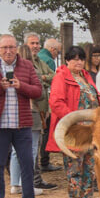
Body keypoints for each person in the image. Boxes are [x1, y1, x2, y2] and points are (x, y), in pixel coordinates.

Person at [0, 34, 44, 198]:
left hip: (22, 124)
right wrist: (0, 87)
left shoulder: (27, 66)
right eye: (4, 48)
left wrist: (21, 86)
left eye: (12, 47)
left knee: (27, 163)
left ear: (17, 48)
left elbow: (38, 91)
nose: (8, 51)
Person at [47, 46, 100, 198]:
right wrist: (73, 118)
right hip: (74, 130)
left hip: (91, 130)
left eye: (81, 59)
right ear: (67, 61)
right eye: (74, 59)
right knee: (74, 168)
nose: (78, 62)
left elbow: (95, 97)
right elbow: (56, 102)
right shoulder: (61, 77)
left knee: (90, 167)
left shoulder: (85, 76)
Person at [9, 33, 58, 198]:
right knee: (30, 149)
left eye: (37, 43)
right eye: (32, 44)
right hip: (34, 110)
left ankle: (15, 184)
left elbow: (52, 76)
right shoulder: (31, 69)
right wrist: (41, 83)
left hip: (18, 112)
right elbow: (39, 91)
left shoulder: (13, 68)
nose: (35, 47)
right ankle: (26, 184)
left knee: (18, 150)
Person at [36, 37, 62, 172]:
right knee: (45, 130)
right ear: (52, 49)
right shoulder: (48, 61)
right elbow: (54, 80)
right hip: (43, 100)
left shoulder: (38, 57)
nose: (57, 55)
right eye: (57, 52)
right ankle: (44, 161)